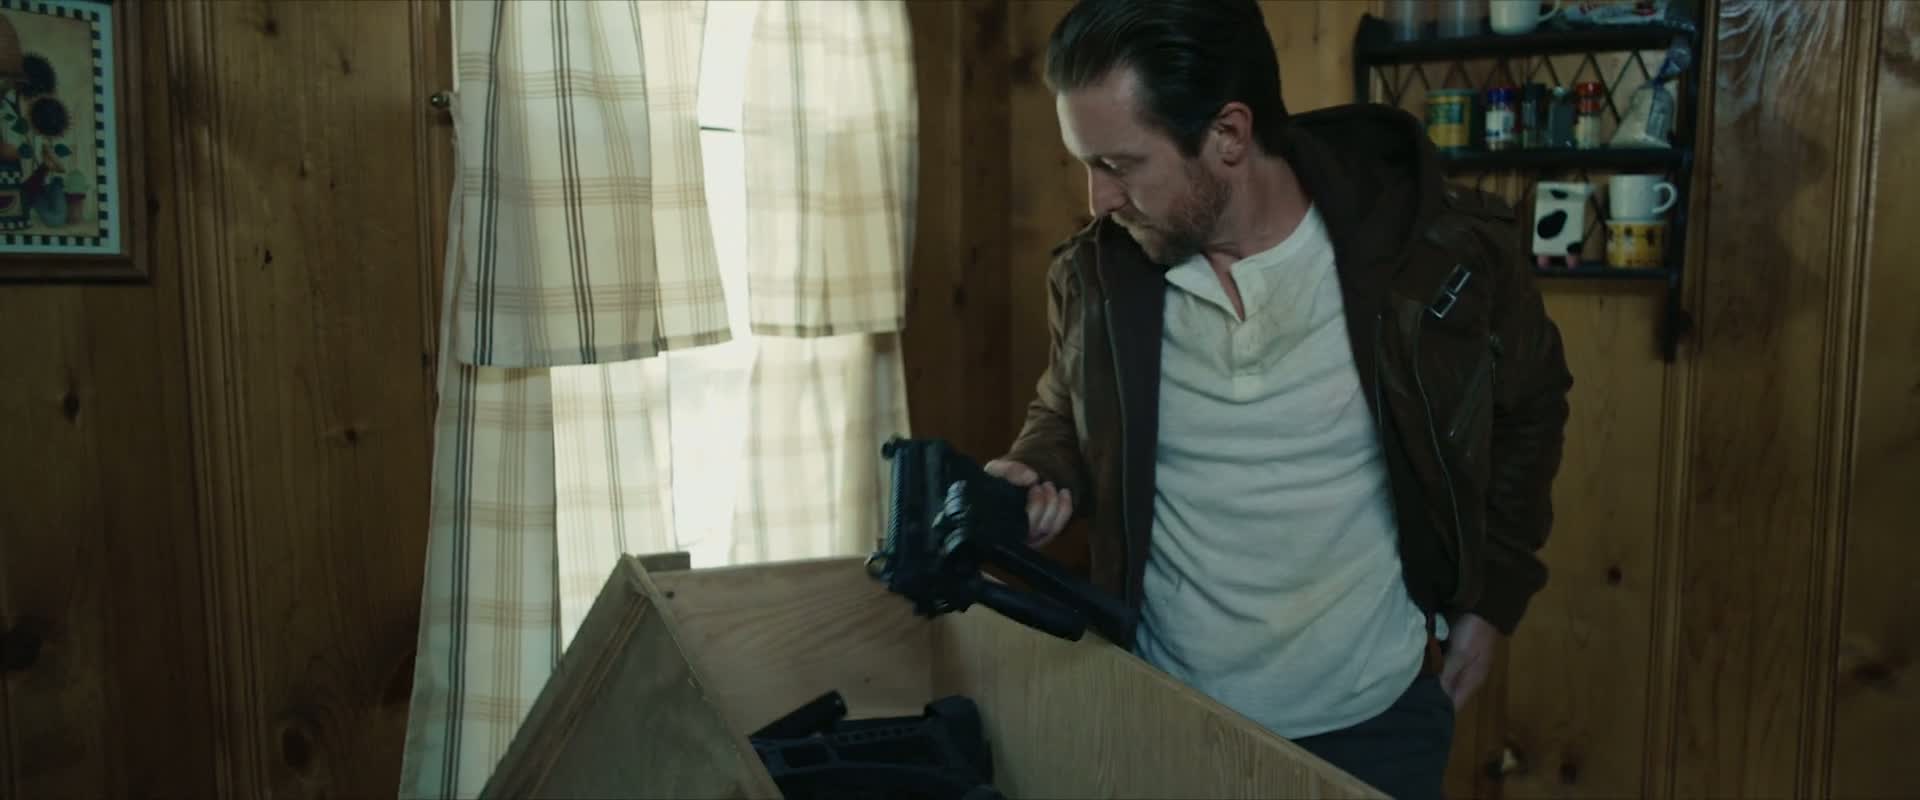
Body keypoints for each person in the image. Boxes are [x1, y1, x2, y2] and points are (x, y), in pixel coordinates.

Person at [981, 1, 1574, 797]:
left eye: (1120, 164)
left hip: (1377, 725)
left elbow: (1531, 405)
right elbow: (1066, 408)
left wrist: (1495, 595)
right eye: (1087, 164)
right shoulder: (1097, 273)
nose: (1099, 200)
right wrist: (1037, 467)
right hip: (1164, 712)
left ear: (1228, 135)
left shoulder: (1435, 252)